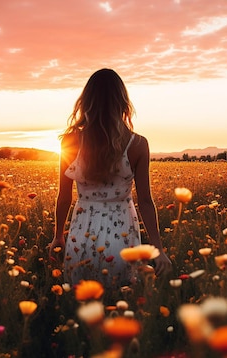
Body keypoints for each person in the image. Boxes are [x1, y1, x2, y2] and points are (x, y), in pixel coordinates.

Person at [49, 68, 172, 288]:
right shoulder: (138, 144)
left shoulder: (70, 141)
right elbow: (145, 200)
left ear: (86, 101)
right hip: (123, 231)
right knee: (122, 296)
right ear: (123, 102)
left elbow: (64, 196)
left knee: (82, 301)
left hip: (82, 233)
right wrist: (158, 249)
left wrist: (58, 235)